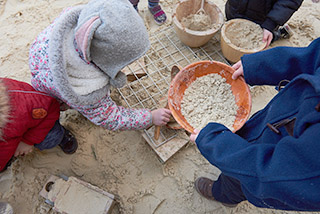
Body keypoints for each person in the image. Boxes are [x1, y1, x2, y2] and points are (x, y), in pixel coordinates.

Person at [190, 37, 320, 211]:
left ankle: (223, 195)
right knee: (244, 144)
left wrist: (216, 144)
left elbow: (275, 176)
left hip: (268, 170)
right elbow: (313, 56)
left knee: (238, 182)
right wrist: (260, 65)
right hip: (277, 121)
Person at [29, 0, 171, 132]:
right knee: (55, 108)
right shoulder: (87, 92)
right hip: (54, 92)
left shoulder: (76, 21)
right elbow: (112, 118)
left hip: (43, 68)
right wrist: (150, 117)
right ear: (106, 61)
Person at [0, 78, 78, 173]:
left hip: (33, 123)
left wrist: (27, 141)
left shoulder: (22, 105)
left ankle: (62, 136)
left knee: (50, 138)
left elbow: (51, 108)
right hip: (8, 141)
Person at [225, 0, 303, 47]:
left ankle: (278, 34)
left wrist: (270, 24)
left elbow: (290, 2)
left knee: (261, 39)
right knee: (230, 33)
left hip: (262, 20)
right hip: (234, 10)